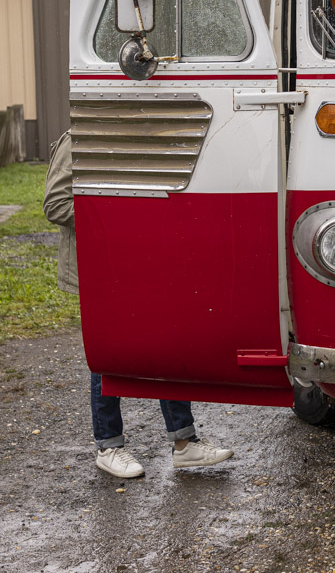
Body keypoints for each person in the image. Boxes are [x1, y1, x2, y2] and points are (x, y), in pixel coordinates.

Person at [43, 130, 234, 479]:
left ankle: (185, 444)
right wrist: (119, 220)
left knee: (164, 346)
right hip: (99, 267)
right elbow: (55, 203)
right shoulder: (80, 136)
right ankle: (109, 446)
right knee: (107, 352)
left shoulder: (145, 136)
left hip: (141, 263)